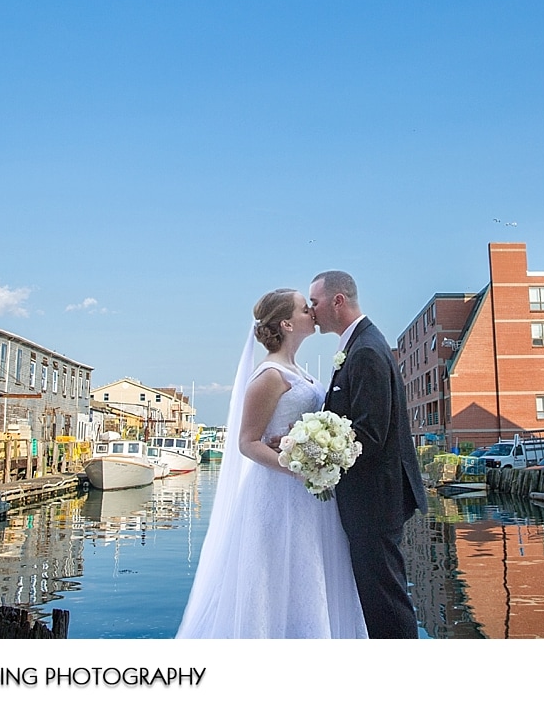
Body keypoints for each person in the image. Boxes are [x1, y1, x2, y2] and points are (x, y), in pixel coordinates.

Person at [176, 288, 368, 638]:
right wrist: (297, 465)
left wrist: (318, 452)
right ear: (286, 323)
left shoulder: (299, 371)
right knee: (279, 578)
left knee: (311, 574)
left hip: (312, 495)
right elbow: (247, 443)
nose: (311, 310)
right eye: (302, 307)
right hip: (280, 495)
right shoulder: (269, 376)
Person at [308, 270, 427, 639]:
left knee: (385, 599)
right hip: (374, 496)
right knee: (379, 595)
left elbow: (369, 434)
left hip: (375, 498)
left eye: (315, 302)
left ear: (338, 301)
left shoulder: (367, 352)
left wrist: (312, 451)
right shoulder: (361, 345)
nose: (312, 310)